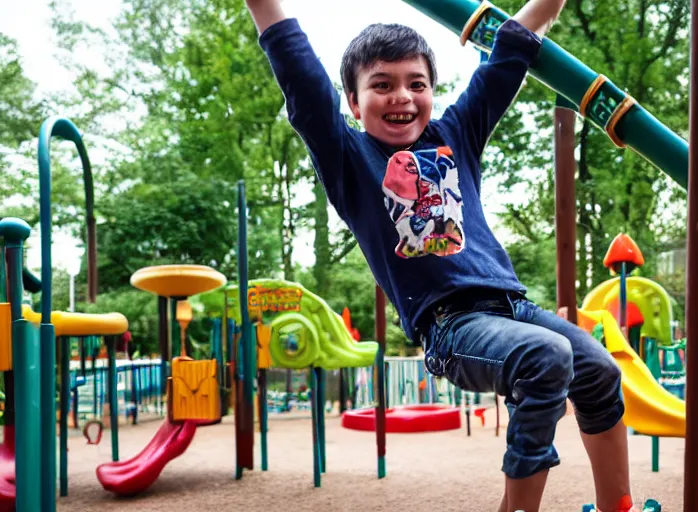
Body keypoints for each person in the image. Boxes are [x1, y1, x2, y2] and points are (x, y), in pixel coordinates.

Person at [245, 0, 634, 510]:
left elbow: (506, 58)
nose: (402, 96)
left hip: (513, 307)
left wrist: (549, 6)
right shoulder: (350, 158)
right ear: (355, 103)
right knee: (547, 358)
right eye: (381, 85)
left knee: (600, 371)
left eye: (416, 83)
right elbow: (303, 81)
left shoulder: (456, 135)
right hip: (451, 326)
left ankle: (616, 505)